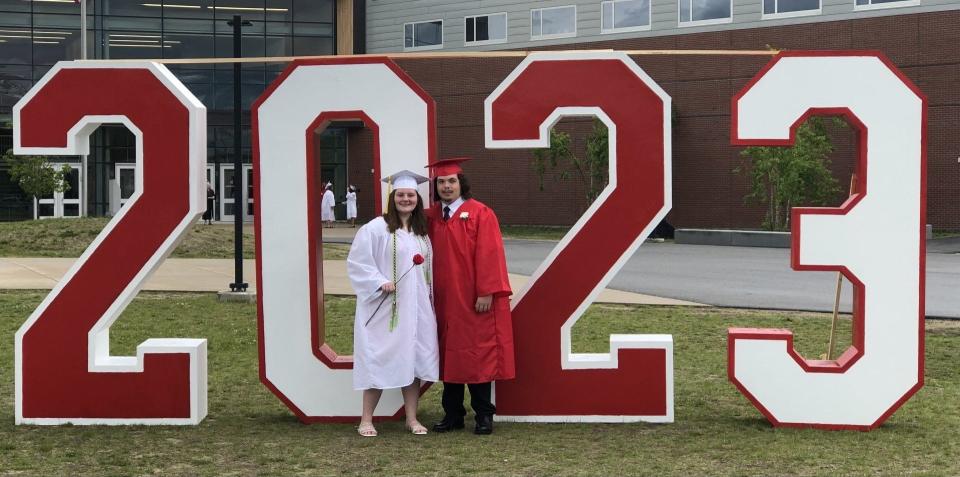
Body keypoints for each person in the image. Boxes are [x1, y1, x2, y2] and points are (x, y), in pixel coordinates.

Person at [424, 157, 515, 436]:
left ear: (461, 184)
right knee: (449, 355)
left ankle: (484, 415)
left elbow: (490, 254)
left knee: (478, 355)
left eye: (451, 181)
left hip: (473, 299)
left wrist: (486, 291)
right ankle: (453, 414)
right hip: (443, 300)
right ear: (436, 186)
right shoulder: (432, 217)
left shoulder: (480, 213)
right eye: (441, 182)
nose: (447, 186)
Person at [346, 170, 439, 437]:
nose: (406, 199)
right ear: (392, 197)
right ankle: (366, 420)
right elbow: (358, 262)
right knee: (378, 357)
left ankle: (411, 418)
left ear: (417, 199)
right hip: (387, 307)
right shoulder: (376, 228)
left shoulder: (421, 232)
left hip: (418, 307)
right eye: (401, 195)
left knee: (413, 360)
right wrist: (379, 281)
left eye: (411, 195)